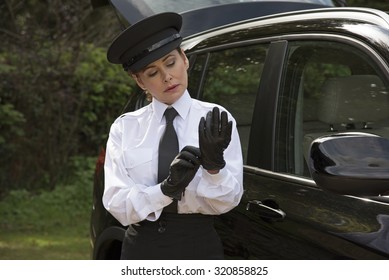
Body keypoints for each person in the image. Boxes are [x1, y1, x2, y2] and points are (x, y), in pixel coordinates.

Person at [102, 12, 243, 260]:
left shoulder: (216, 119)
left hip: (199, 247)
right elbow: (117, 204)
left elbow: (229, 201)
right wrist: (165, 190)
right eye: (152, 72)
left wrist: (214, 169)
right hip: (142, 249)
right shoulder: (125, 128)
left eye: (170, 63)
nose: (167, 77)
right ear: (139, 81)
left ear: (184, 59)